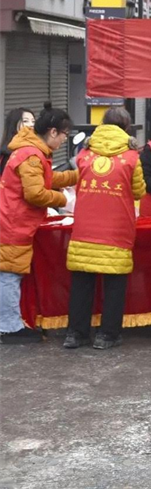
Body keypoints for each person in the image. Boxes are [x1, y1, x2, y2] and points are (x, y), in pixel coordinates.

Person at [63, 107, 146, 349]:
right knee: (114, 285)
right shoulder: (132, 157)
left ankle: (76, 334)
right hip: (116, 229)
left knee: (82, 282)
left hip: (85, 228)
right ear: (127, 127)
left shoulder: (84, 153)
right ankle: (107, 335)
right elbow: (139, 191)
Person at [0, 106, 77, 343]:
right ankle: (8, 327)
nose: (64, 140)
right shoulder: (32, 155)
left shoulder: (32, 151)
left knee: (10, 273)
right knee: (9, 274)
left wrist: (79, 175)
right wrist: (64, 199)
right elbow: (35, 193)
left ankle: (10, 323)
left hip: (14, 220)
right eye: (64, 135)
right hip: (13, 223)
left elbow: (47, 178)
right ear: (53, 132)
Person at [0, 108, 35, 174]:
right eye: (25, 121)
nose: (31, 124)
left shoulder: (36, 145)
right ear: (13, 125)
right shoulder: (8, 155)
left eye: (33, 121)